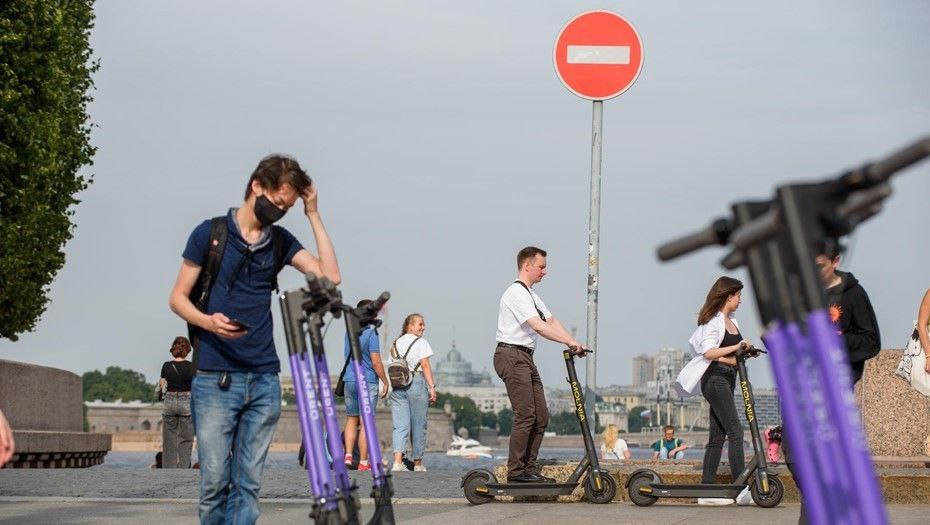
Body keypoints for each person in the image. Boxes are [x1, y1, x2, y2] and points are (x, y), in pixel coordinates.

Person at [168, 154, 340, 525]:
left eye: (288, 207)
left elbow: (330, 277)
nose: (280, 212)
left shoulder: (279, 242)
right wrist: (208, 323)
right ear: (257, 187)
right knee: (214, 483)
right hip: (215, 376)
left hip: (263, 379)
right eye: (278, 203)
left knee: (248, 485)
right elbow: (177, 298)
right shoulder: (209, 234)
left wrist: (312, 214)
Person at [495, 246, 586, 483]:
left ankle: (529, 468)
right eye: (542, 267)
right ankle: (516, 472)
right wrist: (567, 340)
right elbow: (537, 325)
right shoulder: (515, 293)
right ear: (527, 265)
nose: (545, 272)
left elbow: (551, 320)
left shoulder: (531, 295)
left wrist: (573, 342)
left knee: (541, 416)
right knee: (525, 414)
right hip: (511, 355)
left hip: (525, 357)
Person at [690, 276, 752, 505]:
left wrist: (745, 352)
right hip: (715, 380)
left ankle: (706, 491)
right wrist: (737, 348)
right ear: (729, 296)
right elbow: (709, 352)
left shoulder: (733, 320)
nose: (740, 301)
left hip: (728, 379)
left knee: (717, 437)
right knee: (736, 431)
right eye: (738, 296)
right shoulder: (714, 321)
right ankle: (741, 488)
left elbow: (731, 356)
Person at [816, 244, 881, 383]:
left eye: (820, 267)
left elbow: (871, 342)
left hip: (841, 381)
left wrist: (837, 339)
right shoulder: (803, 294)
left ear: (835, 261)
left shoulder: (854, 293)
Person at [342, 300, 389, 472]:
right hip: (367, 381)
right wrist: (384, 380)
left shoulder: (348, 333)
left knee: (351, 419)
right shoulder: (372, 334)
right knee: (366, 422)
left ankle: (348, 456)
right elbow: (376, 362)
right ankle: (363, 461)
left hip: (349, 380)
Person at [389, 313, 437, 472]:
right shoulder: (421, 342)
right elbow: (425, 365)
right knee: (418, 424)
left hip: (397, 384)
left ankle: (397, 462)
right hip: (415, 382)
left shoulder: (395, 343)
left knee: (399, 425)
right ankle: (417, 464)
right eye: (420, 324)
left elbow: (391, 364)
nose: (423, 327)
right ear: (410, 326)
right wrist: (432, 386)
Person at [160, 336, 195, 468]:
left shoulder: (166, 366)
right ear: (187, 350)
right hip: (186, 401)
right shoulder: (191, 367)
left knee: (169, 439)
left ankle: (169, 468)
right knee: (185, 439)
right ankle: (184, 467)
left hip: (169, 401)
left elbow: (162, 384)